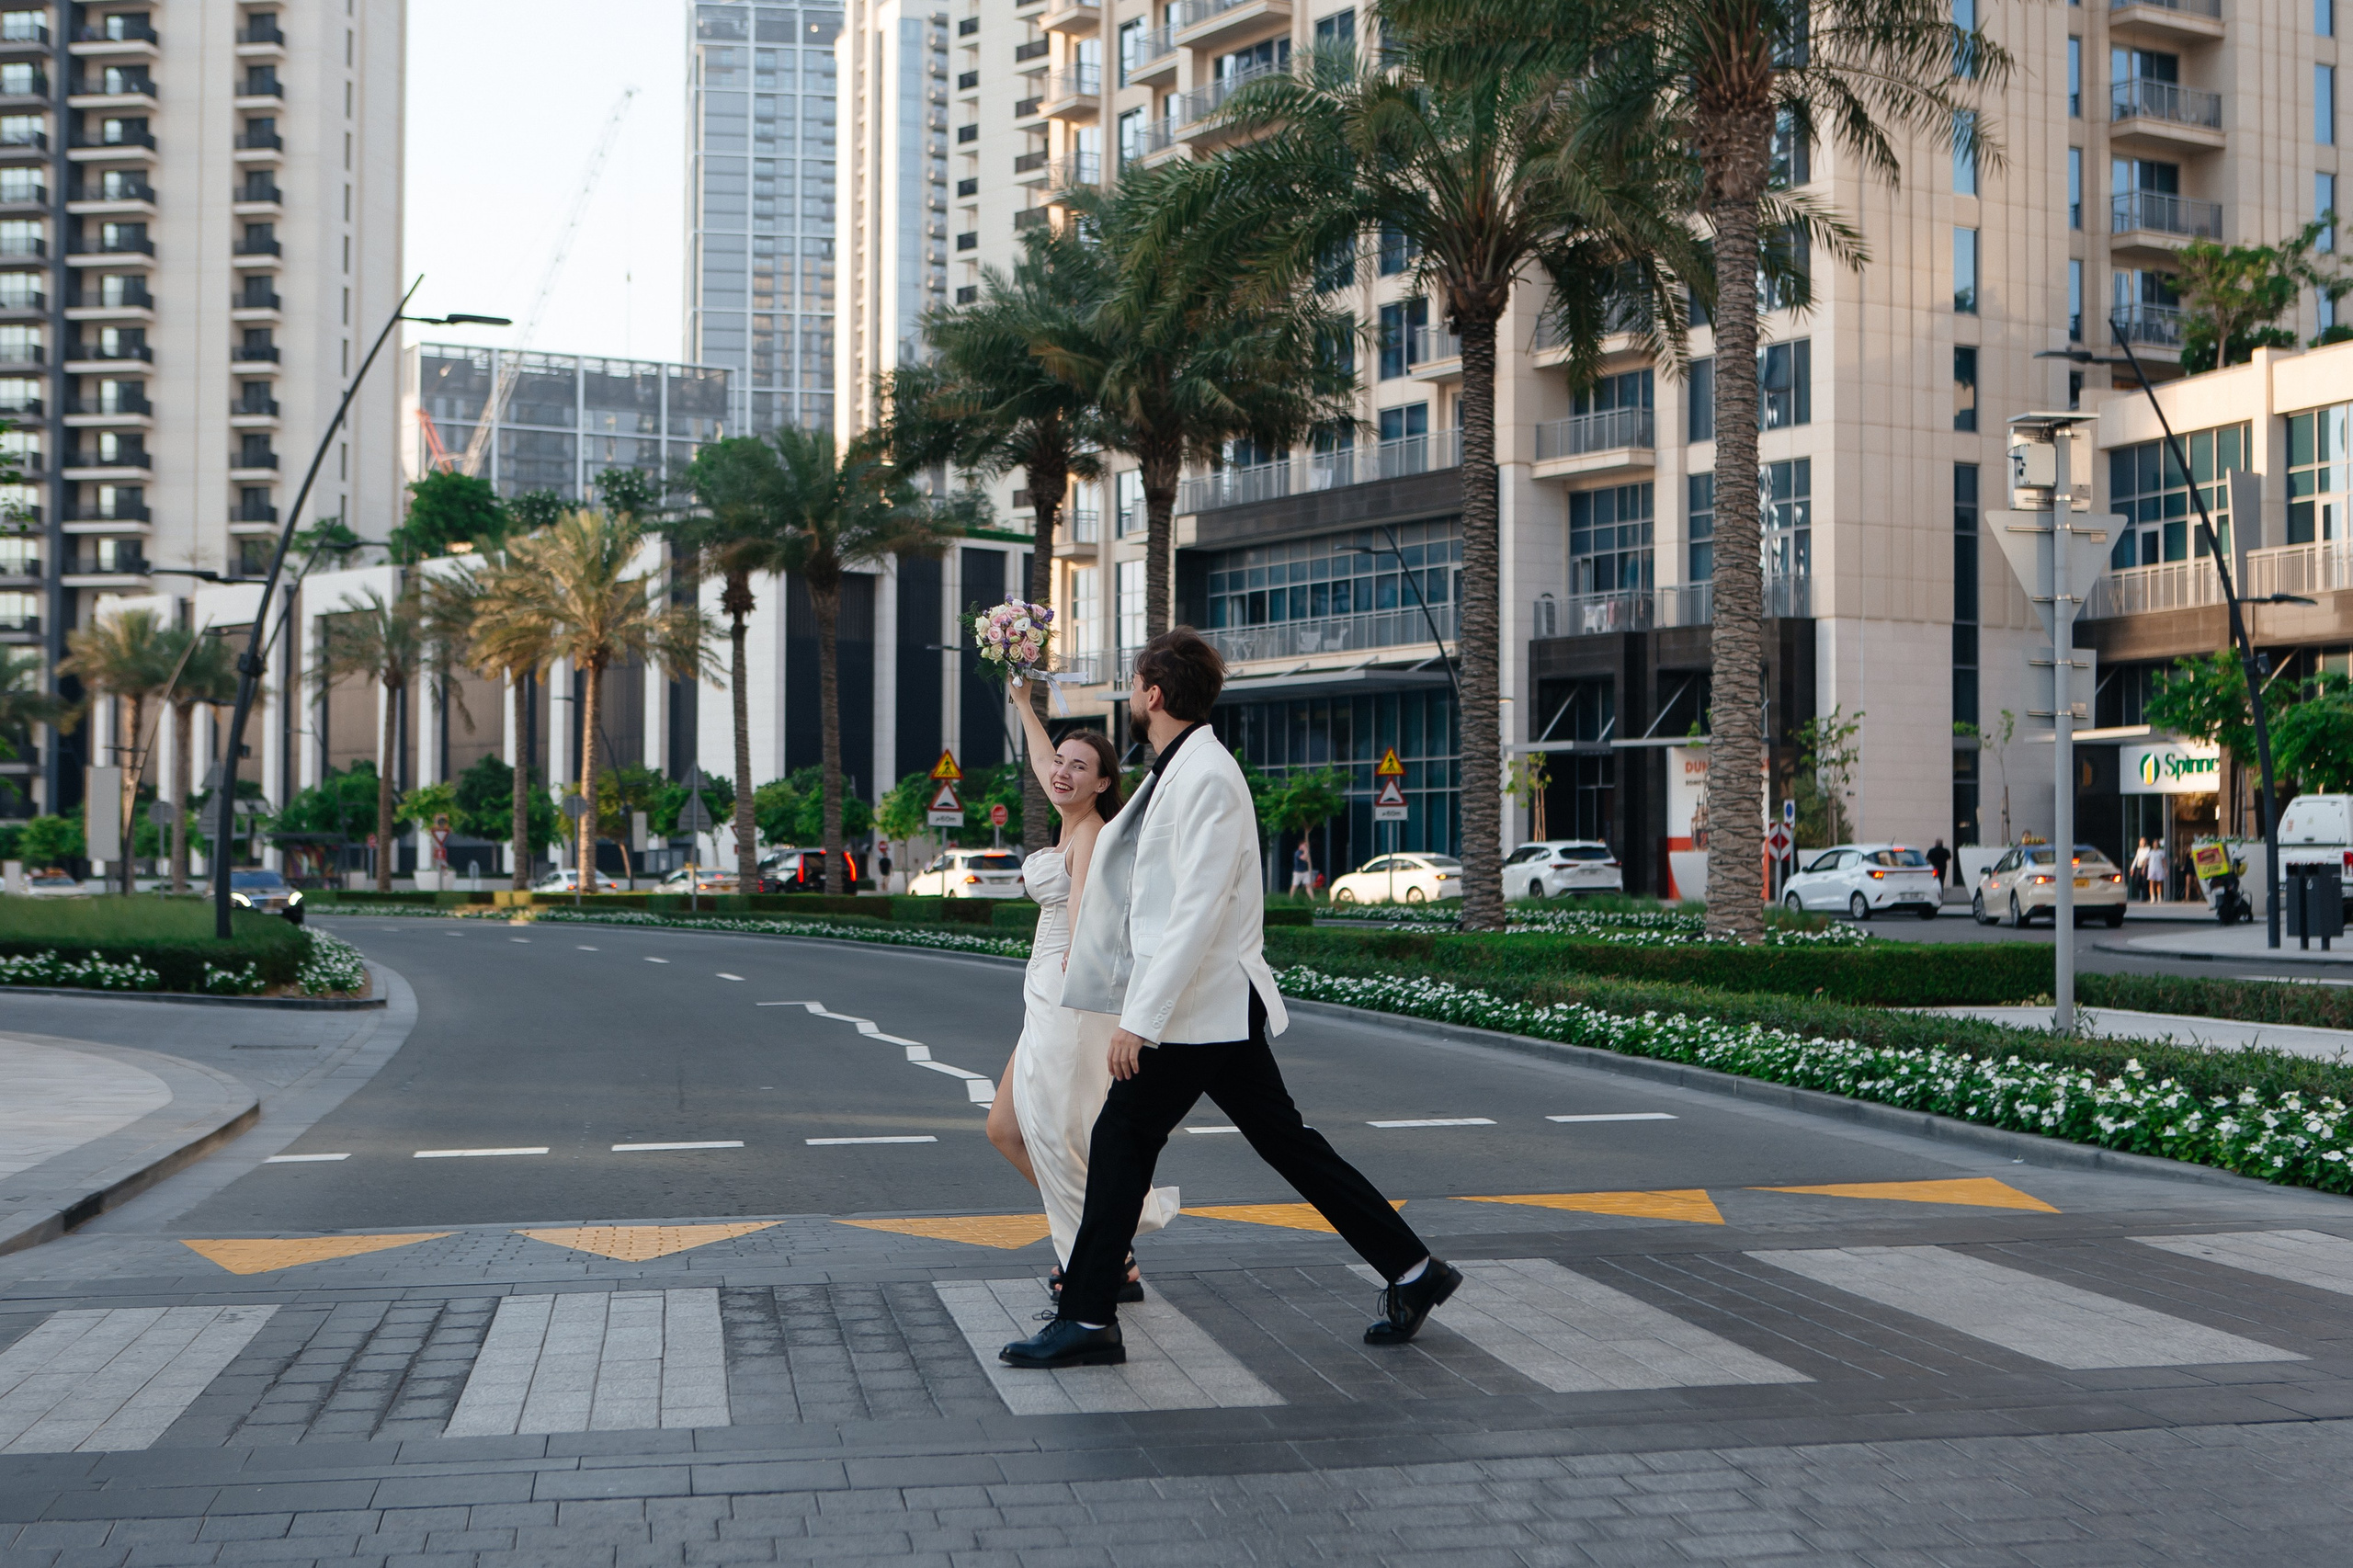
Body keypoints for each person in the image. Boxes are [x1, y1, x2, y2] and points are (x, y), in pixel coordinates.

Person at [999, 629, 1457, 1371]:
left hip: (1197, 1008)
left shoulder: (1207, 775)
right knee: (1283, 1143)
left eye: (1135, 685)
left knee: (1122, 1139)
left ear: (1153, 694)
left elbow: (1197, 910)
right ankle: (1414, 1270)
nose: (1132, 696)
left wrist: (1139, 1020)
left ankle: (1087, 1317)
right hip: (1209, 1007)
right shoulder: (1178, 768)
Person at [984, 686, 1176, 1301]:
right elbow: (1043, 760)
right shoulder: (1071, 819)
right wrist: (1022, 701)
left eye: (1079, 766)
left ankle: (1095, 1263)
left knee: (1061, 1138)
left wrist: (1081, 952)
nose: (1062, 772)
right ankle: (1109, 1247)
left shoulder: (1091, 832)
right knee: (1006, 1128)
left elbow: (1089, 903)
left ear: (1102, 783)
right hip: (1043, 995)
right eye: (1060, 763)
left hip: (1068, 997)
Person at [2145, 838, 2170, 903]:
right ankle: (2152, 897)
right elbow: (2146, 861)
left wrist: (2166, 869)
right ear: (2153, 845)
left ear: (2158, 845)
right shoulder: (2150, 852)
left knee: (2159, 883)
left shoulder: (2161, 852)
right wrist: (2143, 869)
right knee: (2151, 883)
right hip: (2151, 869)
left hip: (2159, 869)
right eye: (2154, 844)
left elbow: (2164, 861)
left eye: (2156, 844)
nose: (2155, 845)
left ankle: (2159, 896)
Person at [2129, 837, 2150, 903]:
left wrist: (2144, 867)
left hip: (2145, 867)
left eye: (2143, 842)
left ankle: (2144, 897)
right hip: (2139, 866)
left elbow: (2147, 859)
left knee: (2144, 882)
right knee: (2137, 881)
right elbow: (2136, 858)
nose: (2142, 843)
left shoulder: (2148, 849)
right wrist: (2132, 867)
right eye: (2141, 842)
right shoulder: (2139, 849)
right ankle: (2144, 892)